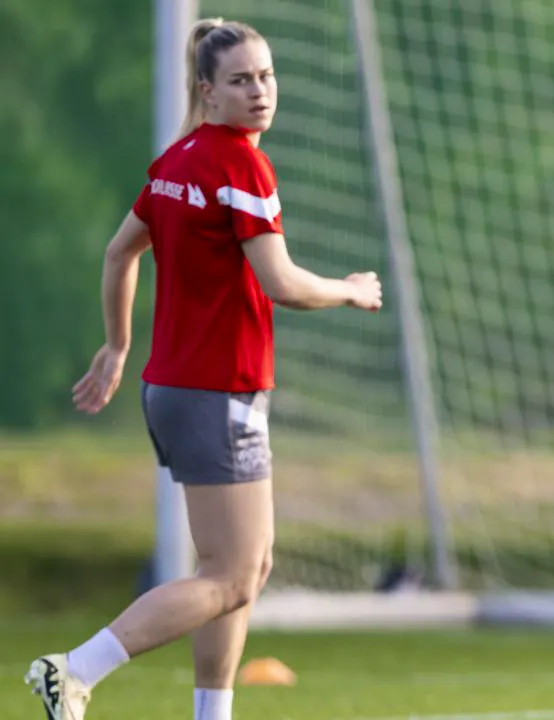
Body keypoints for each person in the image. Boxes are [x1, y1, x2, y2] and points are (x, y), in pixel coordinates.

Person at [25, 18, 383, 720]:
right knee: (229, 575)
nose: (260, 92)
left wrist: (118, 345)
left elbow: (118, 252)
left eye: (267, 75)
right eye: (241, 80)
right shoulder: (240, 164)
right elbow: (279, 283)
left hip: (177, 388)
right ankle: (73, 670)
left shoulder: (178, 159)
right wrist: (348, 288)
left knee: (246, 569)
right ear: (207, 92)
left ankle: (211, 714)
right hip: (217, 391)